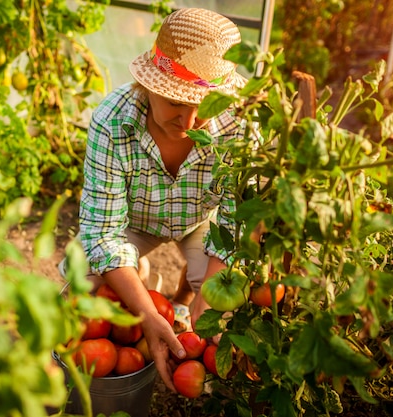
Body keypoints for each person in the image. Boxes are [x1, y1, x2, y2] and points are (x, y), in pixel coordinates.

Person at [72, 7, 259, 392]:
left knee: (228, 306)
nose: (188, 123)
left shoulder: (238, 127)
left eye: (202, 108)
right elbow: (103, 233)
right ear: (150, 86)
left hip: (202, 224)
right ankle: (140, 276)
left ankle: (178, 295)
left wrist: (207, 303)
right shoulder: (113, 120)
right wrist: (144, 312)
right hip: (132, 225)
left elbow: (234, 221)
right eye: (176, 102)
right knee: (82, 287)